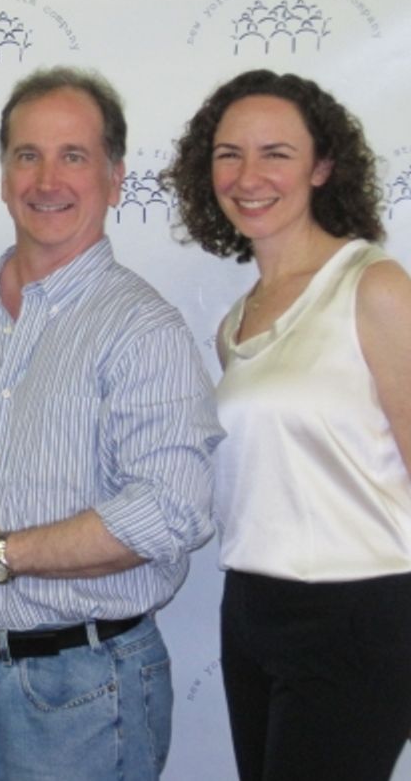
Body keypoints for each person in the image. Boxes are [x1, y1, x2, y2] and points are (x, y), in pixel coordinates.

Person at [0, 66, 223, 781]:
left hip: (80, 693)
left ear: (115, 180)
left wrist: (1, 553)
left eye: (74, 156)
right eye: (27, 155)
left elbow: (172, 512)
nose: (47, 179)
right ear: (4, 176)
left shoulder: (142, 329)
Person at [165, 69, 411, 781]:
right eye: (229, 154)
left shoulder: (374, 286)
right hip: (250, 608)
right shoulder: (234, 325)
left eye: (276, 153)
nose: (249, 176)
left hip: (358, 610)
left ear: (322, 167)